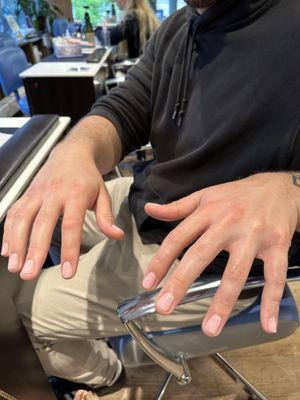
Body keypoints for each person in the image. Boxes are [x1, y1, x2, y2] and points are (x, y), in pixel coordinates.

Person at [2, 0, 300, 395]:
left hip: (207, 259)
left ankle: (110, 377)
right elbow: (124, 110)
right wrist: (77, 149)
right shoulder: (182, 24)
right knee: (37, 219)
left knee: (15, 322)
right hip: (145, 201)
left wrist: (290, 189)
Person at [95, 0, 160, 58]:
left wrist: (96, 29)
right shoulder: (144, 14)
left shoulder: (134, 16)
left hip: (140, 68)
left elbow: (110, 37)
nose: (114, 1)